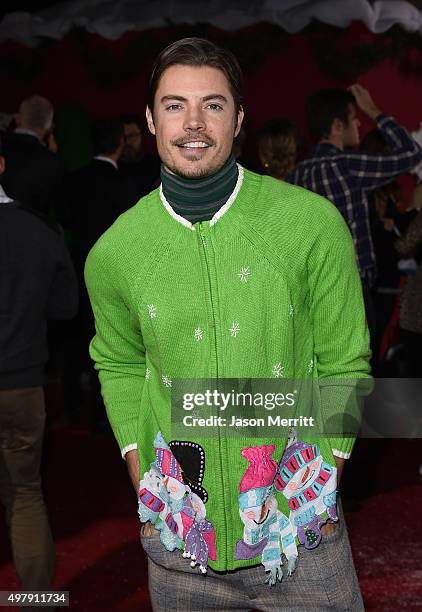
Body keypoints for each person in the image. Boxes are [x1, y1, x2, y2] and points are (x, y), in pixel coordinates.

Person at [85, 38, 371, 610]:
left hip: (301, 536)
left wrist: (327, 473)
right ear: (149, 119)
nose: (193, 123)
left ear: (239, 119)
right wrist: (141, 470)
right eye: (174, 105)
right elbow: (117, 363)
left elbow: (346, 360)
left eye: (212, 105)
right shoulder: (115, 251)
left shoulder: (311, 225)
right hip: (177, 545)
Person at [0, 136, 78, 593]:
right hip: (22, 383)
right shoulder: (40, 231)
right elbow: (65, 308)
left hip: (23, 377)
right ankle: (37, 602)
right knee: (25, 494)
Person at [287, 86, 422, 343]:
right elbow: (411, 153)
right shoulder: (347, 166)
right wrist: (374, 110)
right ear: (338, 125)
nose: (360, 123)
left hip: (310, 293)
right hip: (350, 290)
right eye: (354, 118)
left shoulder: (296, 174)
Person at [2, 95, 64, 216]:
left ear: (18, 118)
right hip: (31, 230)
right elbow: (60, 207)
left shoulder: (3, 146)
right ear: (49, 126)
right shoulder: (51, 161)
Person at [118, 114, 161, 200]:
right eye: (123, 137)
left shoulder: (157, 165)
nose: (127, 142)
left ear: (142, 136)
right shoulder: (112, 169)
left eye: (132, 136)